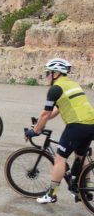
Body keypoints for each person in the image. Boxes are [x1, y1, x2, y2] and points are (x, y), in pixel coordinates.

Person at [25, 58, 94, 204]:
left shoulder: (55, 89)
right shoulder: (72, 84)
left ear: (55, 73)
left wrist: (35, 131)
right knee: (80, 157)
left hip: (77, 125)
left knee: (59, 159)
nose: (47, 76)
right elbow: (57, 109)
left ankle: (51, 194)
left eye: (48, 73)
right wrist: (40, 123)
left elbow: (45, 113)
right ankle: (85, 190)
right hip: (90, 124)